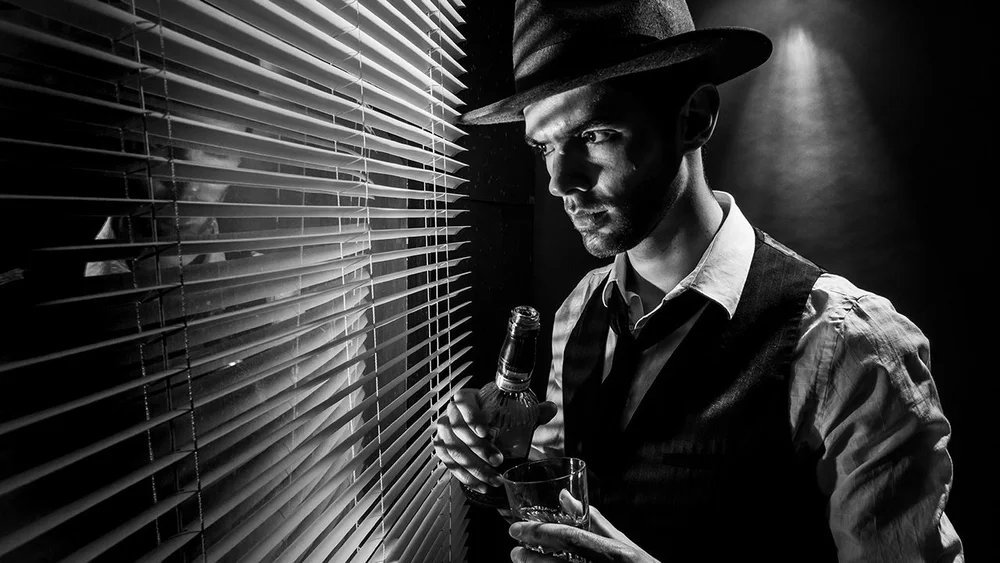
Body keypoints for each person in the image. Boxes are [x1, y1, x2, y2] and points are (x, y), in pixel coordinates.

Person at [433, 0, 963, 561]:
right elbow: (564, 506)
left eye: (594, 134)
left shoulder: (847, 346)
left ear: (694, 119)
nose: (560, 182)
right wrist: (495, 466)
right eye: (544, 146)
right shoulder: (578, 310)